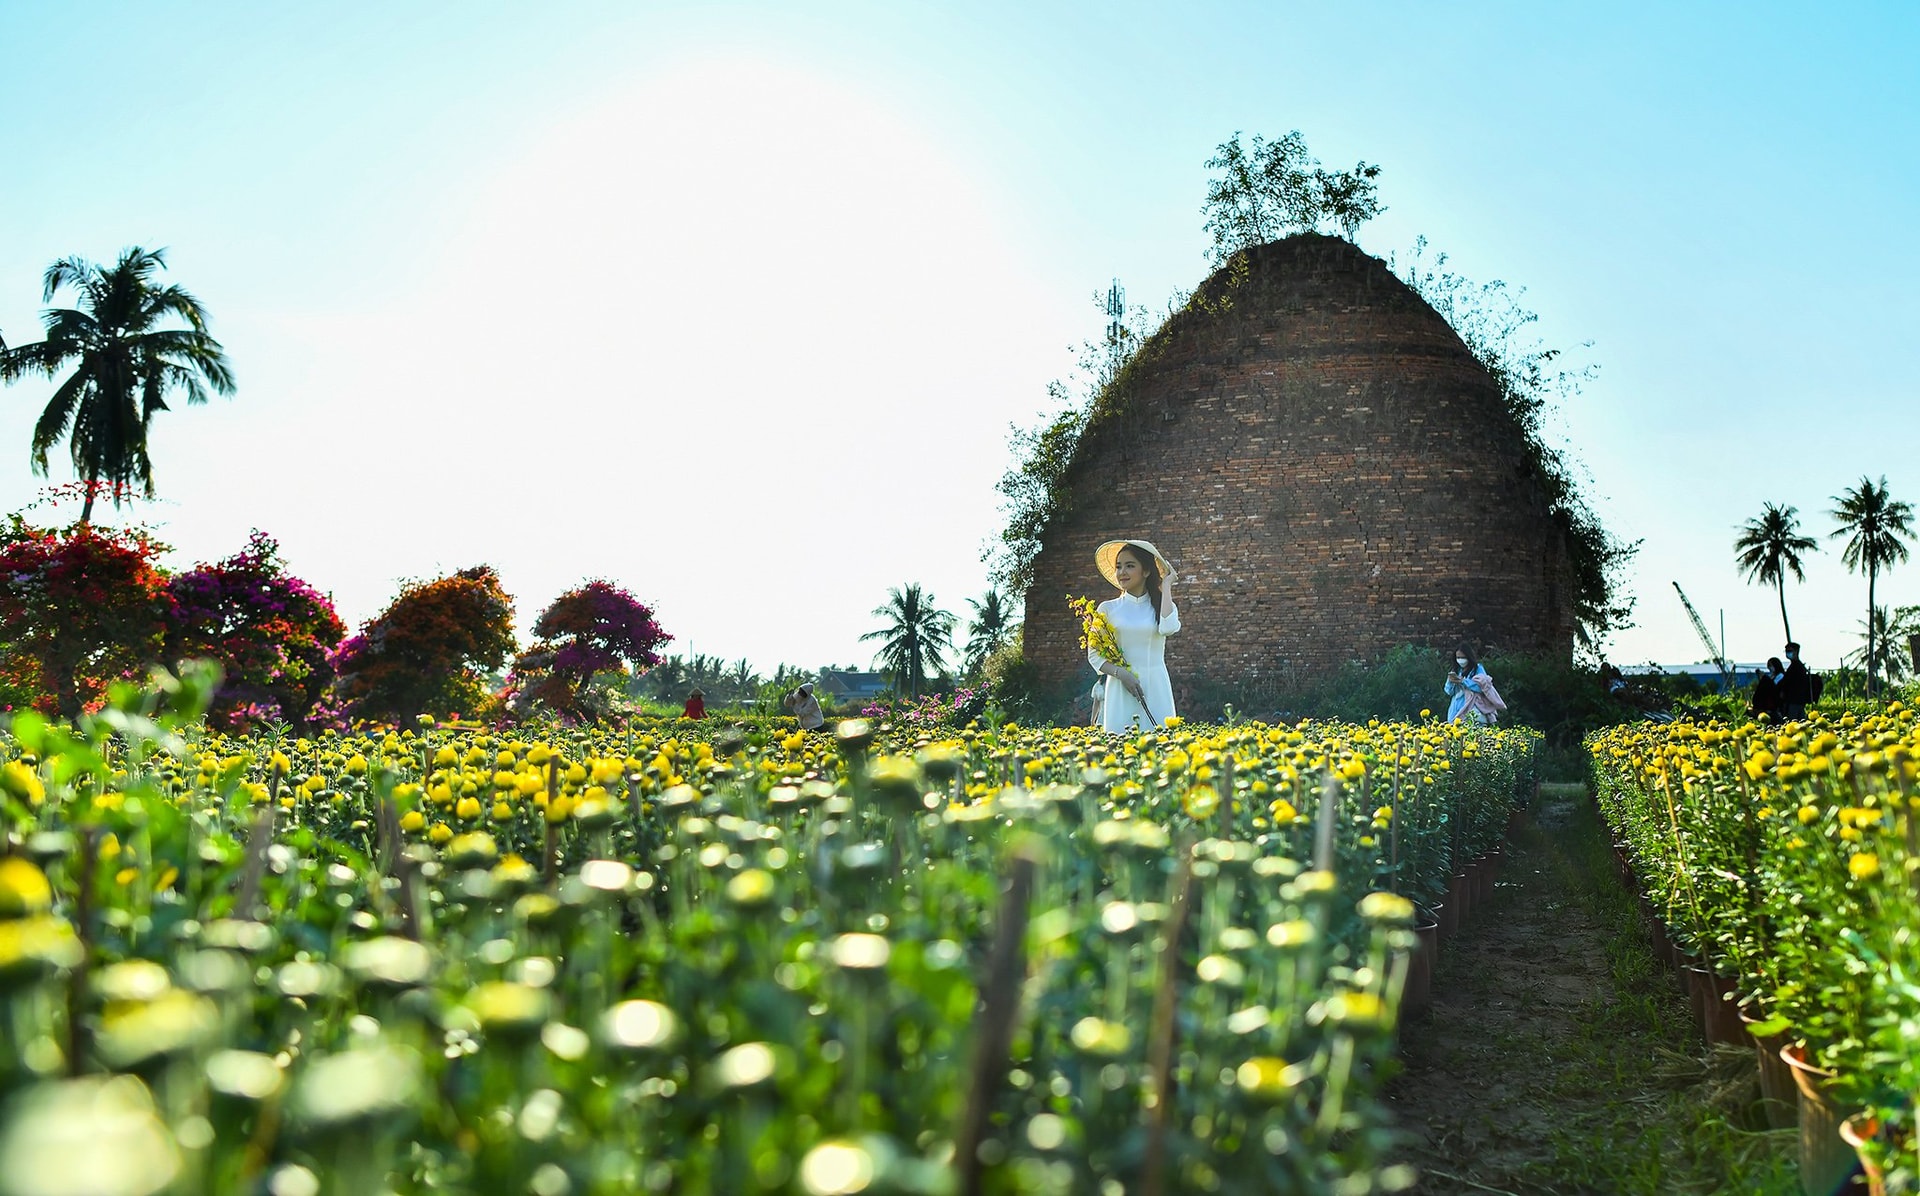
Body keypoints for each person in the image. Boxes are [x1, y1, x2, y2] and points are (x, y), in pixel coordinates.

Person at [1087, 539, 1181, 732]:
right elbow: (1094, 655)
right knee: (1120, 748)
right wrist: (1122, 674)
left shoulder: (1162, 605)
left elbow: (1168, 628)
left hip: (1156, 685)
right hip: (1121, 688)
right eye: (1119, 566)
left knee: (1161, 746)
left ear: (1146, 571)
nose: (1122, 572)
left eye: (1130, 566)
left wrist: (1167, 586)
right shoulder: (1107, 609)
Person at [1444, 644, 1504, 724]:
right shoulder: (1456, 670)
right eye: (1458, 657)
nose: (1460, 660)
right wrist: (1450, 682)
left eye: (1463, 657)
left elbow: (1481, 686)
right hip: (1456, 707)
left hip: (1473, 708)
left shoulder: (1478, 669)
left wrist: (1463, 681)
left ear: (1469, 657)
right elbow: (1449, 691)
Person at [1779, 642, 1812, 720]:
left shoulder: (1797, 667)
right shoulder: (1795, 666)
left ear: (1796, 651)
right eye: (1786, 651)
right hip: (1797, 700)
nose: (1787, 653)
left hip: (1794, 700)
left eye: (1790, 650)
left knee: (1792, 722)